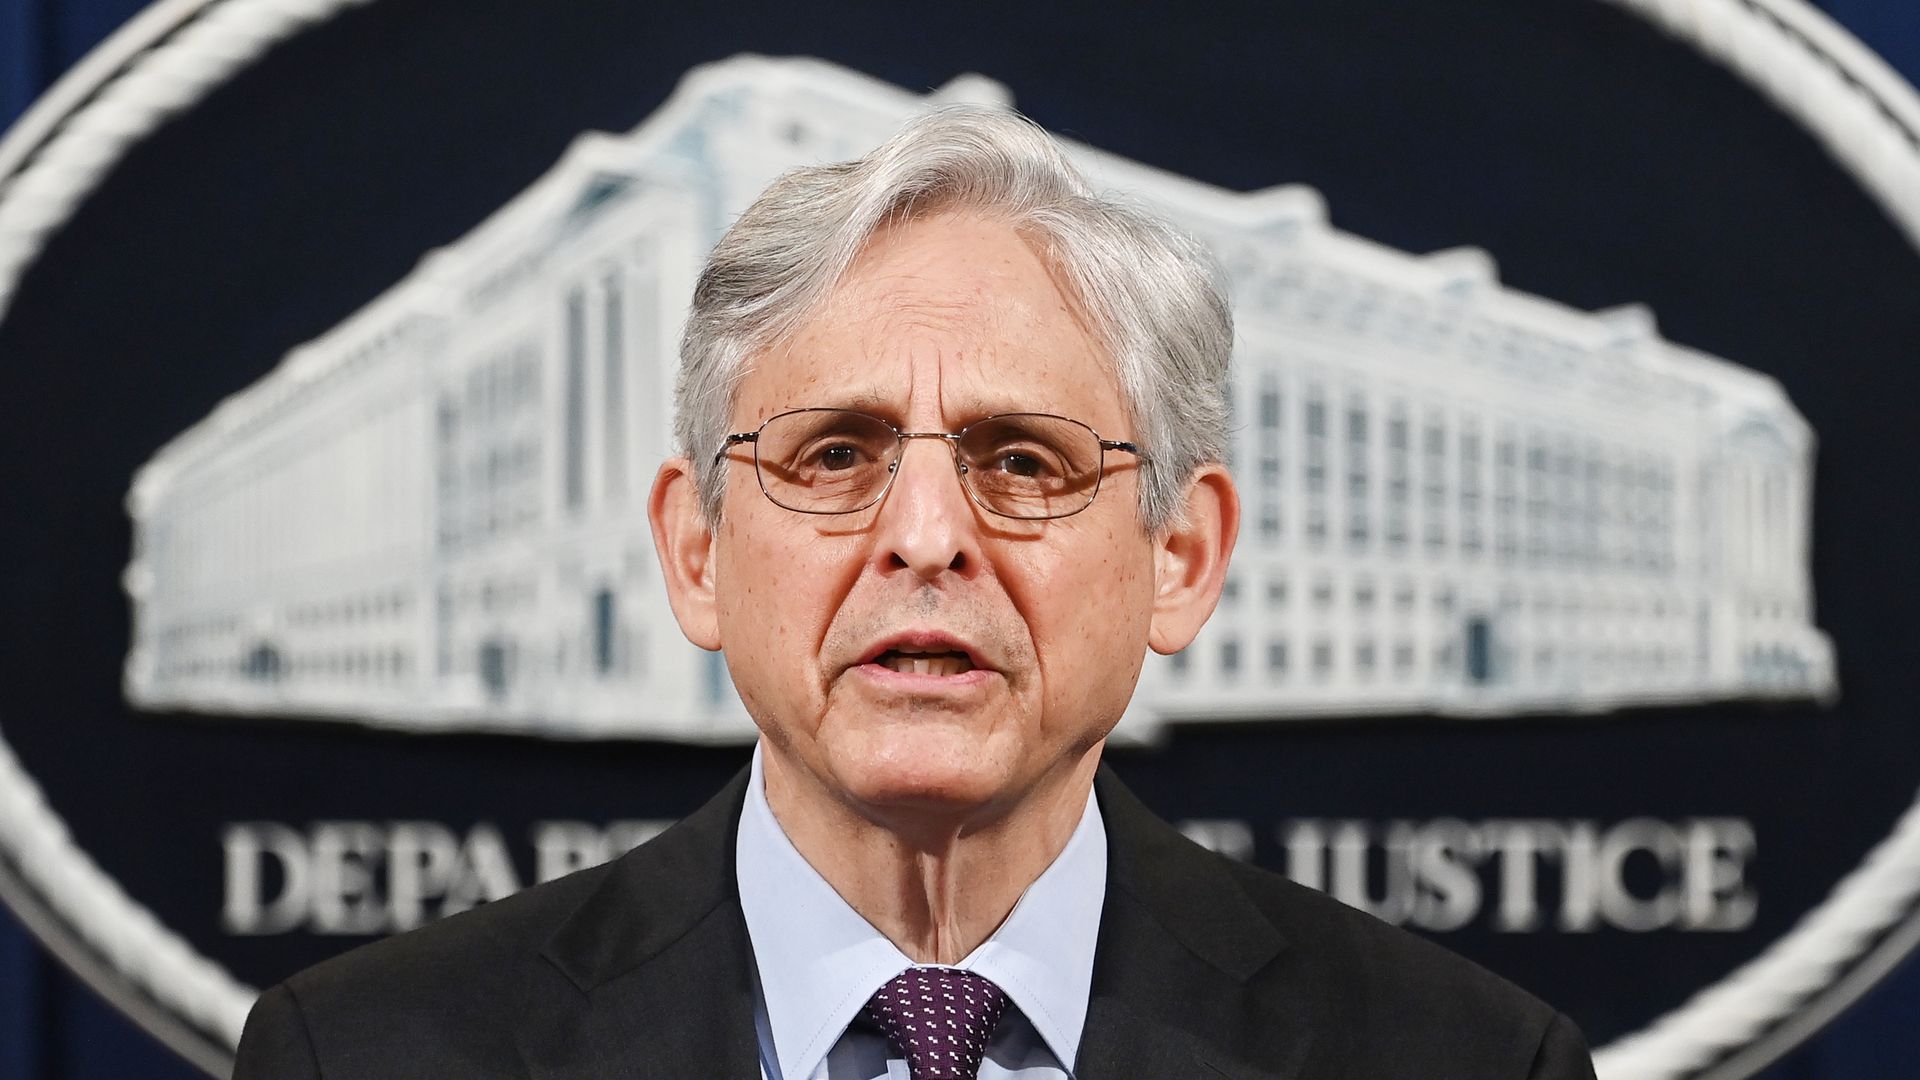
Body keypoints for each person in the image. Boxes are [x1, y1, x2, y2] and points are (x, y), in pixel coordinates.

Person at [232, 105, 1596, 1080]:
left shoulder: (1468, 1059)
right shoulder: (361, 1054)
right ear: (698, 550)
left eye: (1024, 459)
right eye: (835, 454)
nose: (928, 537)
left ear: (1179, 557)